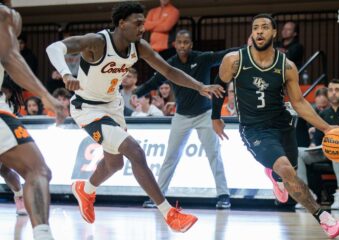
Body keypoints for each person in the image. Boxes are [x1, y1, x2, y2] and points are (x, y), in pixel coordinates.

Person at [46, 1, 224, 232]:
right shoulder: (97, 42)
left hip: (113, 105)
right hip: (88, 108)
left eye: (144, 23)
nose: (142, 28)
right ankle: (169, 214)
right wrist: (66, 74)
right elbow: (54, 48)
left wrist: (199, 86)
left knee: (115, 163)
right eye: (138, 23)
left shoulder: (138, 47)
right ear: (122, 23)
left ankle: (86, 189)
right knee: (135, 152)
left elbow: (168, 71)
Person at [212, 14, 339, 238]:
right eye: (255, 28)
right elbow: (219, 85)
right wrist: (216, 116)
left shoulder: (287, 66)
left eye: (265, 28)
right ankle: (324, 217)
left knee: (287, 171)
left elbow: (299, 103)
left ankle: (274, 176)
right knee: (286, 170)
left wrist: (326, 128)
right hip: (255, 130)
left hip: (282, 126)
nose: (259, 32)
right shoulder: (234, 60)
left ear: (274, 33)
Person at [135, 29, 233, 209]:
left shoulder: (202, 58)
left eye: (186, 42)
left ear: (191, 45)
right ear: (174, 45)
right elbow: (152, 82)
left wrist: (246, 48)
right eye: (179, 42)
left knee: (214, 155)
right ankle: (157, 197)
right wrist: (137, 93)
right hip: (181, 117)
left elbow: (224, 55)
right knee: (170, 157)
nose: (182, 46)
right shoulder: (170, 64)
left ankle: (224, 195)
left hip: (204, 114)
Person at [0, 1, 66, 239]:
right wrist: (45, 96)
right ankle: (42, 234)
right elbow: (10, 59)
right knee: (37, 170)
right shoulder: (4, 15)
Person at [296, 79, 339, 210]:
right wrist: (314, 143)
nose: (333, 93)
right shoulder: (324, 113)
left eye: (337, 90)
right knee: (298, 152)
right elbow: (318, 137)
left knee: (336, 150)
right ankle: (306, 195)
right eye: (331, 90)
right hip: (324, 150)